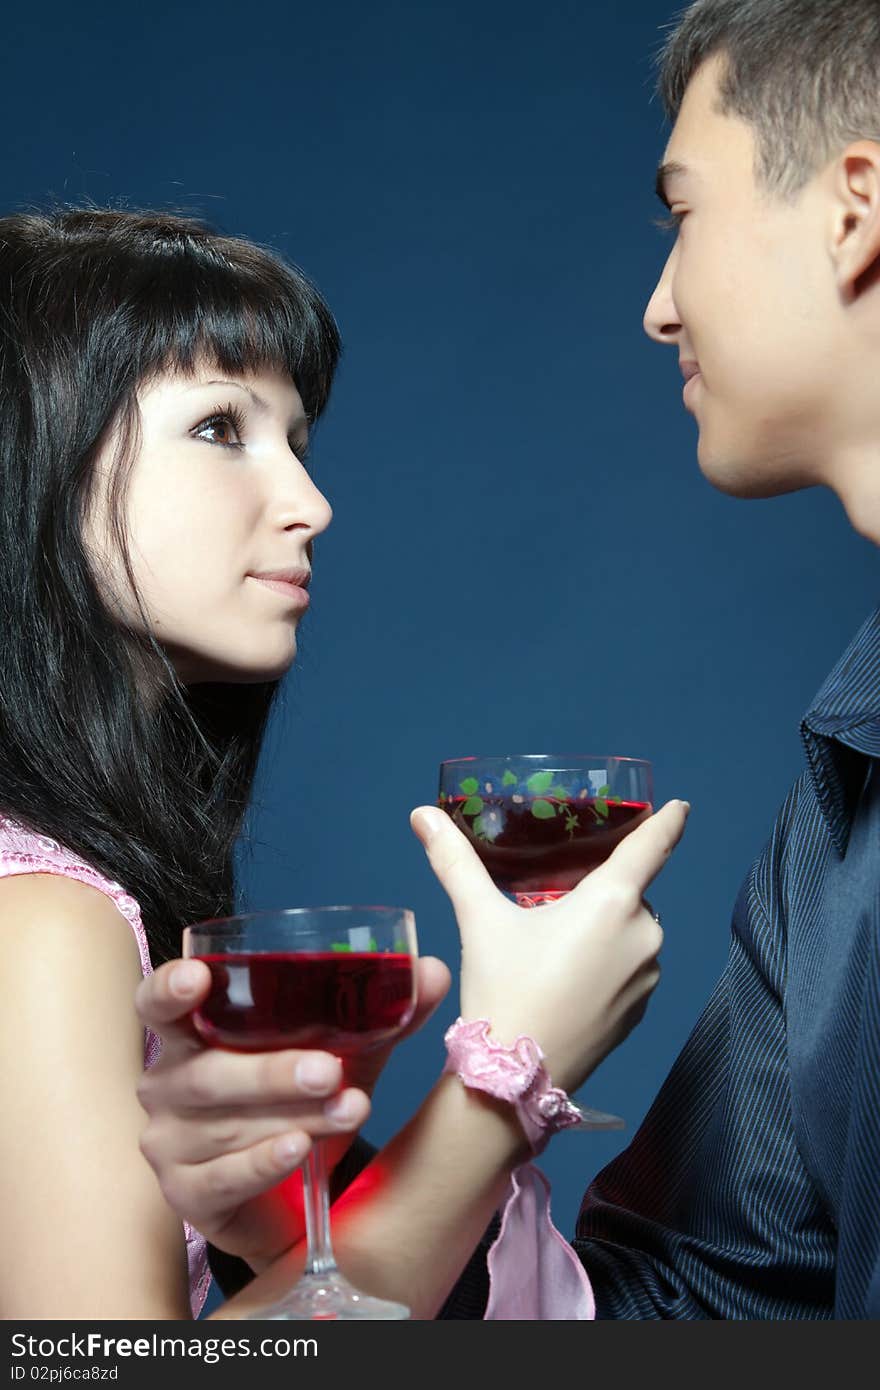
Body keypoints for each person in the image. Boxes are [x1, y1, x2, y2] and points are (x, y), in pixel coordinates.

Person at [138, 0, 880, 1320]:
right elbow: (703, 1307)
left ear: (854, 208)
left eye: (682, 213)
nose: (657, 308)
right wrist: (290, 1212)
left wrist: (497, 1079)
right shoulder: (846, 792)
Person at [0, 204, 684, 1319]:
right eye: (221, 427)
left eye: (298, 441)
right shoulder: (35, 920)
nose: (310, 506)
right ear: (31, 460)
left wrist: (277, 1206)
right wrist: (505, 1075)